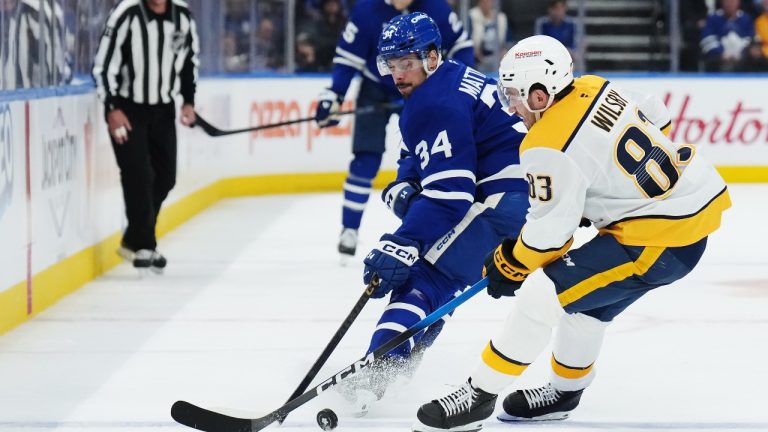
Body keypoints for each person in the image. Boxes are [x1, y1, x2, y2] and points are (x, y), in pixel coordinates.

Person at [414, 35, 731, 432]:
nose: (510, 105)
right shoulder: (591, 85)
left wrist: (509, 263)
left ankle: (478, 395)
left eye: (514, 94)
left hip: (659, 240)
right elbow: (655, 113)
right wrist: (606, 189)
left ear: (541, 93)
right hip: (679, 218)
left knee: (539, 295)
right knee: (583, 303)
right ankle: (565, 392)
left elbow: (550, 237)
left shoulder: (546, 143)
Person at [338, 11, 530, 416]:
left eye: (406, 63)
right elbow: (418, 151)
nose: (397, 74)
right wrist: (406, 181)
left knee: (425, 273)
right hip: (522, 200)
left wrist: (403, 241)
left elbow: (449, 194)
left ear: (431, 57)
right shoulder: (452, 77)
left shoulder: (434, 102)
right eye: (391, 65)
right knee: (443, 279)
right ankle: (401, 359)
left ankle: (381, 368)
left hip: (501, 202)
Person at [314, 0, 475, 261]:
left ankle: (429, 226)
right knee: (366, 157)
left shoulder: (436, 7)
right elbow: (347, 57)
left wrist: (457, 86)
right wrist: (334, 93)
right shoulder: (367, 10)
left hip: (423, 89)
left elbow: (461, 46)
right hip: (375, 88)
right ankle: (349, 229)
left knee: (428, 161)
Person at [92, 0, 199, 272]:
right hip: (128, 110)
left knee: (165, 177)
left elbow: (189, 60)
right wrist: (111, 107)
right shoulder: (127, 13)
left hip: (163, 110)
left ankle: (134, 238)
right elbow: (104, 65)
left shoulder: (182, 15)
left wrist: (188, 101)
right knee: (138, 174)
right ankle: (145, 245)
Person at [700, 0, 755, 72]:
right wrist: (721, 53)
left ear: (738, 2)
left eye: (732, 1)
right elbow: (707, 39)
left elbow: (750, 39)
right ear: (722, 2)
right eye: (727, 1)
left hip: (741, 58)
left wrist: (740, 53)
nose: (729, 4)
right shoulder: (713, 18)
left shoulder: (746, 19)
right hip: (718, 58)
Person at [467, 0, 513, 72]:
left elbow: (509, 42)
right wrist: (474, 51)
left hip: (498, 60)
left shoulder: (501, 18)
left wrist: (504, 51)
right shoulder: (471, 16)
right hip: (477, 61)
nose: (487, 3)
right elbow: (466, 40)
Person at [534, 0, 579, 68]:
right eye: (554, 8)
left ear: (565, 8)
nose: (557, 12)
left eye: (560, 8)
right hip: (547, 59)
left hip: (567, 58)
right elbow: (538, 45)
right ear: (549, 9)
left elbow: (576, 47)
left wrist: (566, 53)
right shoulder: (542, 23)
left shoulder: (572, 24)